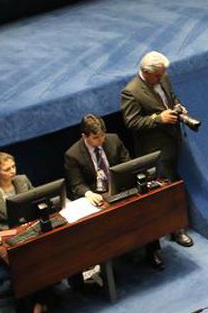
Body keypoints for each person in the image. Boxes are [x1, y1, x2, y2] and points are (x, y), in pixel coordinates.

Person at [64, 114, 168, 272]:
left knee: (145, 206)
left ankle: (152, 252)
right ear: (84, 136)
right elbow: (77, 184)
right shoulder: (73, 154)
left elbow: (127, 163)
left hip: (119, 188)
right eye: (96, 137)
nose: (101, 140)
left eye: (102, 135)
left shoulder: (113, 140)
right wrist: (88, 193)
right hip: (97, 196)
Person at [121, 51, 195, 247]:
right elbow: (132, 122)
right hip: (155, 149)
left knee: (174, 183)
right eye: (157, 75)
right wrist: (158, 119)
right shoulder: (131, 91)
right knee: (166, 189)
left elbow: (171, 97)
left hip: (173, 141)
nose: (161, 78)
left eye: (162, 74)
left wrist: (179, 106)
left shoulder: (163, 77)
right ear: (145, 71)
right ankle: (175, 230)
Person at [0, 152, 51, 313]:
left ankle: (39, 302)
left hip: (30, 231)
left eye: (14, 166)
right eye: (7, 169)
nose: (13, 171)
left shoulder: (22, 180)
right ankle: (40, 303)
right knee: (30, 262)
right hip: (6, 238)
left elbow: (37, 201)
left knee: (48, 254)